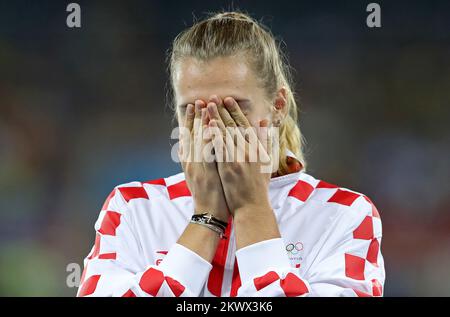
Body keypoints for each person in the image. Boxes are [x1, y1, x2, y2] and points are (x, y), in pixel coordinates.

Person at [77, 11, 385, 297]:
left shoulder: (345, 215)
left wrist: (252, 209)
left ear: (278, 105)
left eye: (233, 107)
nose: (214, 128)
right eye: (192, 111)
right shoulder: (133, 209)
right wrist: (206, 218)